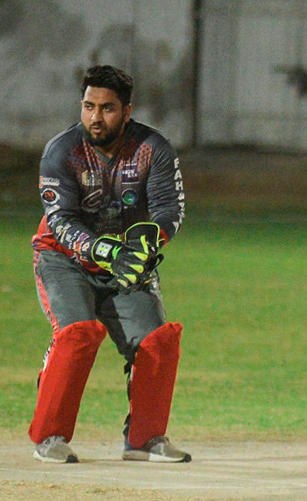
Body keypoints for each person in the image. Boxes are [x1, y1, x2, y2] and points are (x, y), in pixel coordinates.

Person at [29, 65, 190, 464]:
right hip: (63, 259)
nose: (96, 117)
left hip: (126, 264)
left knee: (157, 341)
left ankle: (145, 440)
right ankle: (49, 437)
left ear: (127, 111)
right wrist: (104, 250)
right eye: (89, 107)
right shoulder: (61, 151)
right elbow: (60, 220)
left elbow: (169, 208)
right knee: (77, 334)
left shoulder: (153, 148)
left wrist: (152, 237)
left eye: (107, 108)